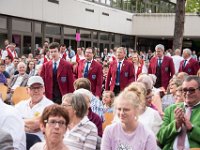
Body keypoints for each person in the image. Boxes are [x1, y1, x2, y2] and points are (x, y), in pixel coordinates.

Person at [157, 75, 200, 150]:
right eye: (184, 90)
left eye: (191, 90)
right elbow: (160, 138)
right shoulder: (171, 109)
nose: (187, 93)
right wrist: (176, 124)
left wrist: (191, 128)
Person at [15, 76, 54, 148]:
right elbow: (12, 123)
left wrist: (19, 122)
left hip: (41, 144)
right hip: (19, 142)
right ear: (27, 90)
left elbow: (36, 124)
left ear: (44, 89)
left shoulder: (50, 106)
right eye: (33, 88)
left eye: (39, 87)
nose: (36, 91)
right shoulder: (20, 105)